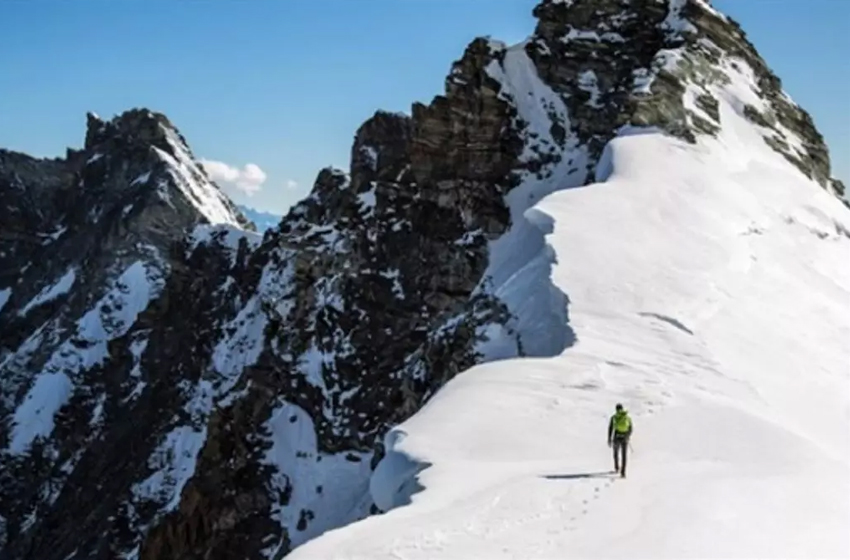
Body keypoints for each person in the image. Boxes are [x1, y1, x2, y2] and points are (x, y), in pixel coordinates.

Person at [607, 403, 632, 478]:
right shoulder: (627, 417)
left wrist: (609, 438)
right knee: (624, 455)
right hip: (624, 437)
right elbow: (630, 428)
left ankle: (617, 467)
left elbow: (610, 428)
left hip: (616, 436)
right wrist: (627, 435)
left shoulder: (614, 417)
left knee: (616, 453)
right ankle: (623, 472)